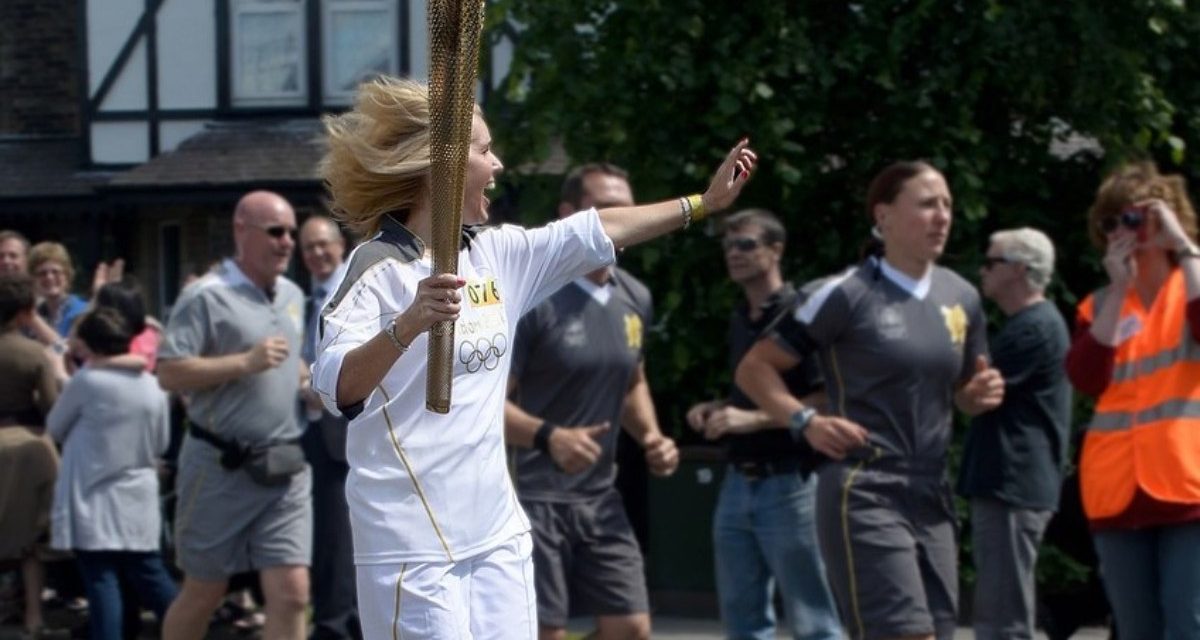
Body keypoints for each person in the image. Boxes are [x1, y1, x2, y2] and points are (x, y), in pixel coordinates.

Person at [311, 75, 755, 638]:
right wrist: (408, 325)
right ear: (438, 165)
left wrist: (703, 203)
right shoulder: (376, 269)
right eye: (482, 149)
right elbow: (336, 387)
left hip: (497, 532)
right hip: (412, 544)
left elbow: (597, 229)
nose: (497, 164)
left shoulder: (499, 254)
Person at [735, 161, 1004, 640]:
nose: (942, 216)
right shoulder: (844, 294)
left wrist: (978, 395)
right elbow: (755, 369)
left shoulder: (961, 297)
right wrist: (805, 421)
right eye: (926, 204)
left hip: (932, 491)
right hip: (865, 487)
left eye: (947, 205)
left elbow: (965, 395)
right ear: (884, 217)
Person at [504, 163, 678, 640]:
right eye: (604, 209)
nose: (619, 219)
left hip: (601, 495)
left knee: (631, 627)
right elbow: (482, 405)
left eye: (627, 209)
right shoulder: (533, 299)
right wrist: (549, 436)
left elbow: (632, 380)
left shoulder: (634, 296)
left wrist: (652, 437)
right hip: (530, 497)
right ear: (568, 215)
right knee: (546, 632)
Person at [157, 190, 311, 640]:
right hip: (219, 467)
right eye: (276, 231)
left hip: (284, 466)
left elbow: (288, 361)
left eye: (291, 233)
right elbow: (168, 372)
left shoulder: (293, 294)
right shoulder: (204, 297)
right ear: (241, 231)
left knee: (293, 593)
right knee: (205, 590)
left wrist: (307, 385)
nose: (287, 242)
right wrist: (243, 362)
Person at [686, 208, 841, 640]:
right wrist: (718, 407)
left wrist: (749, 420)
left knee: (815, 622)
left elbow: (828, 398)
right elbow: (756, 391)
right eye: (728, 246)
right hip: (738, 480)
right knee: (742, 620)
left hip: (791, 481)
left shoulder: (801, 314)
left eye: (746, 244)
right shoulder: (742, 317)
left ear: (777, 250)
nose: (734, 253)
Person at [1065, 161, 1200, 639]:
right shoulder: (1100, 304)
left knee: (1187, 626)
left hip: (1188, 488)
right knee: (1137, 630)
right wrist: (1120, 289)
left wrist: (1183, 248)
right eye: (1112, 221)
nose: (1125, 231)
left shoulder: (1193, 282)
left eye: (1137, 217)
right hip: (1118, 490)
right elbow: (1085, 377)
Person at [958, 227, 1071, 640]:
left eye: (991, 262)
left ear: (1019, 270)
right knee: (999, 610)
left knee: (1002, 617)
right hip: (1012, 483)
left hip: (1013, 484)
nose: (982, 270)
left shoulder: (1032, 328)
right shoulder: (1032, 324)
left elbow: (972, 388)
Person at [46, 307, 178, 640]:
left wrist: (62, 375)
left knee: (101, 580)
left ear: (92, 346)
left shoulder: (87, 380)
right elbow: (161, 441)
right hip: (138, 495)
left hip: (93, 495)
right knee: (151, 574)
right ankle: (189, 629)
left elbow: (55, 426)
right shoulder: (153, 385)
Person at [297, 215, 360, 640]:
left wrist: (316, 384)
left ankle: (339, 627)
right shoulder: (304, 300)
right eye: (309, 248)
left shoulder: (351, 291)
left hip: (347, 434)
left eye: (324, 245)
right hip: (313, 436)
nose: (317, 254)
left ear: (340, 246)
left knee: (341, 543)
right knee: (326, 539)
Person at [0, 273, 61, 637]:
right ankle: (34, 616)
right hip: (27, 443)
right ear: (24, 314)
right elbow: (53, 407)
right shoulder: (33, 353)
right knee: (32, 541)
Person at [28, 242, 88, 340]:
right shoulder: (34, 313)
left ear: (67, 275)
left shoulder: (82, 311)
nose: (49, 277)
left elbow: (67, 352)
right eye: (42, 273)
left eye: (55, 272)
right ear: (33, 279)